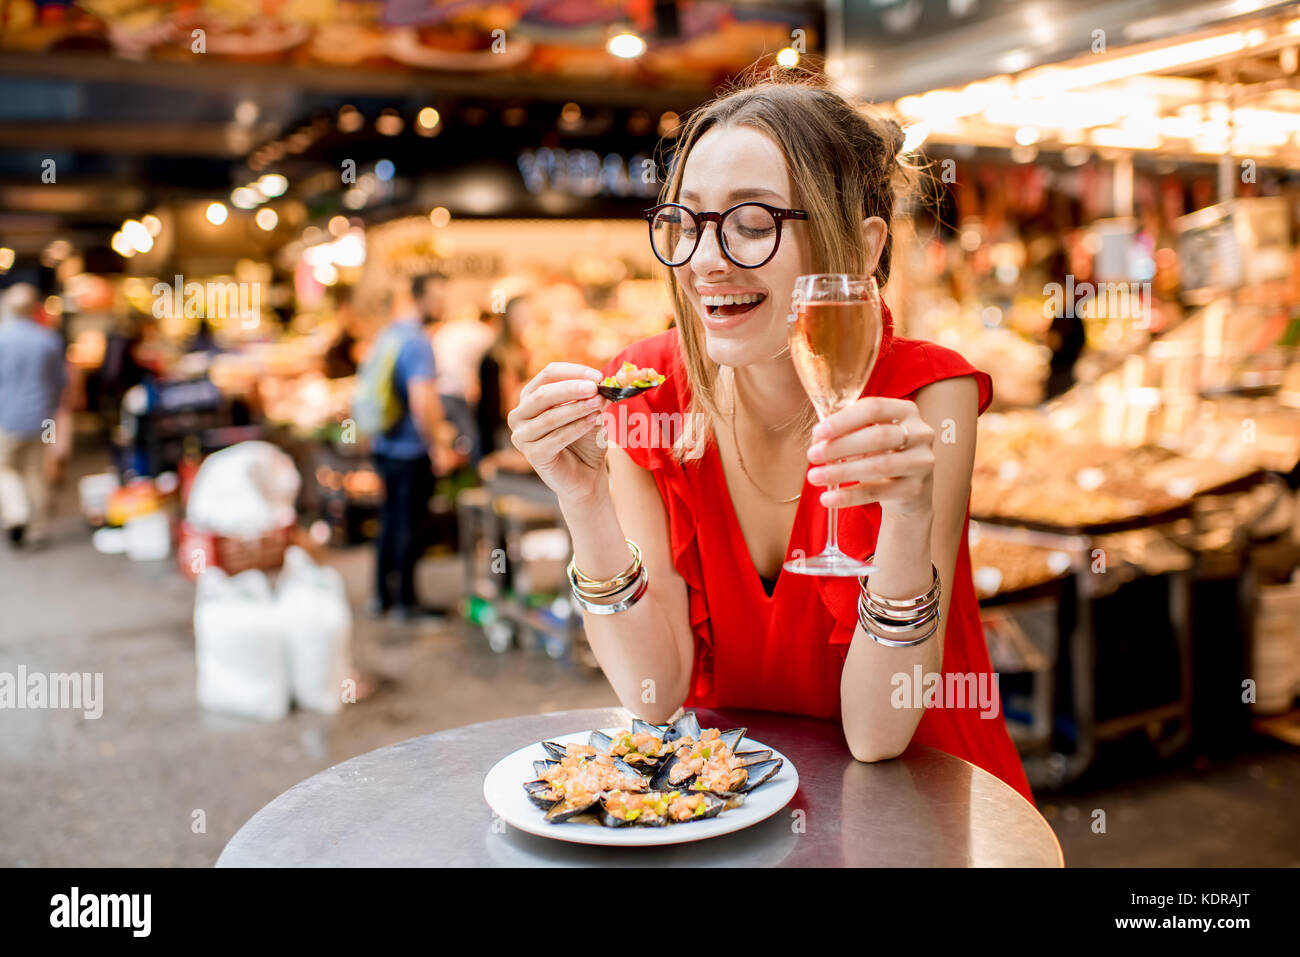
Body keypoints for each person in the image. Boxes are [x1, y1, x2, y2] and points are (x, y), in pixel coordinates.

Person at [506, 69, 1033, 805]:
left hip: (919, 800)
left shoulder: (923, 396)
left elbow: (877, 735)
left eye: (751, 224)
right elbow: (653, 692)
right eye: (686, 224)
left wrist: (908, 520)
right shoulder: (648, 389)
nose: (704, 260)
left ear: (860, 248)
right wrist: (585, 501)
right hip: (733, 803)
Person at [370, 275, 457, 622]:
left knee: (390, 521)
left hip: (385, 445)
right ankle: (406, 602)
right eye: (437, 297)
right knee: (410, 525)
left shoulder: (390, 333)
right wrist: (438, 445)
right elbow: (423, 399)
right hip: (408, 450)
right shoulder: (419, 342)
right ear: (420, 298)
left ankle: (382, 596)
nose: (441, 304)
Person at [0, 276, 67, 548]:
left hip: (8, 416)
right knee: (36, 472)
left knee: (5, 468)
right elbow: (61, 383)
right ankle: (37, 529)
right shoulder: (48, 339)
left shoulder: (2, 338)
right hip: (44, 417)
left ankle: (16, 512)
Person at [431, 302, 495, 466]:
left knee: (451, 437)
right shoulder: (484, 332)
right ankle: (475, 474)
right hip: (456, 391)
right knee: (470, 438)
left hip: (439, 388)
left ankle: (452, 474)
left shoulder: (450, 328)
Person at [476, 295, 532, 457]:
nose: (526, 322)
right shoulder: (499, 356)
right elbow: (507, 405)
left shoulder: (520, 351)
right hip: (503, 430)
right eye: (521, 316)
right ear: (508, 320)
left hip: (511, 426)